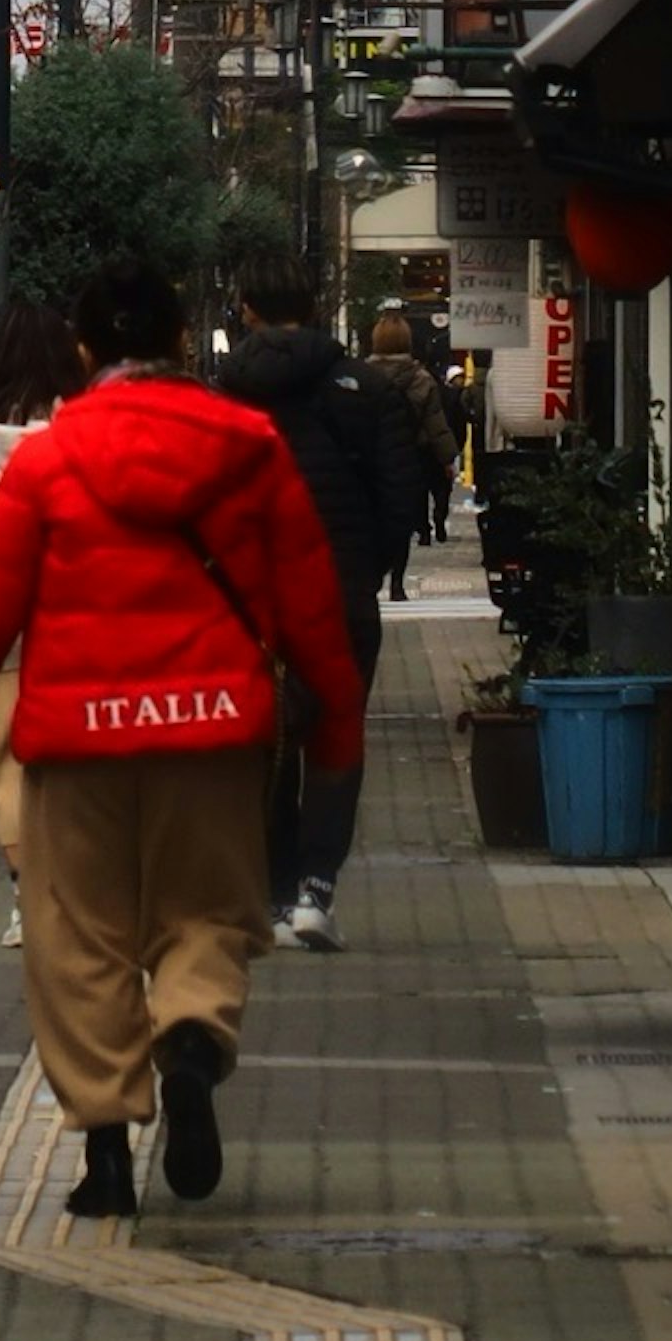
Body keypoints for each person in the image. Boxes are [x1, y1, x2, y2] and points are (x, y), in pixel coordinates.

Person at [0, 257, 367, 1222]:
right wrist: (338, 722)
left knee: (78, 937)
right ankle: (194, 1046)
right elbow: (311, 603)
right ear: (176, 342)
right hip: (213, 733)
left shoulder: (45, 460)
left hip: (75, 736)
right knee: (207, 909)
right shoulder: (249, 446)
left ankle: (109, 1156)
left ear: (86, 353)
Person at [219, 261, 418, 952]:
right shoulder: (363, 387)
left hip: (253, 597)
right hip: (340, 592)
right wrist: (372, 568)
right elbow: (401, 493)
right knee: (336, 734)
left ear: (245, 310)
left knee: (266, 739)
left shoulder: (227, 393)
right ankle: (316, 890)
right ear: (314, 304)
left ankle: (274, 891)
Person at [0, 303, 87, 944]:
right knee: (72, 762)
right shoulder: (82, 431)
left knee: (5, 763)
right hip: (73, 620)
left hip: (0, 626)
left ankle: (22, 896)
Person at [361, 308, 462, 601]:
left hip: (368, 458)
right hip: (408, 457)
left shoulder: (361, 376)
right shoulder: (421, 379)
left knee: (369, 519)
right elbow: (436, 424)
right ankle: (397, 584)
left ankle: (369, 581)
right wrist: (447, 459)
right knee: (401, 520)